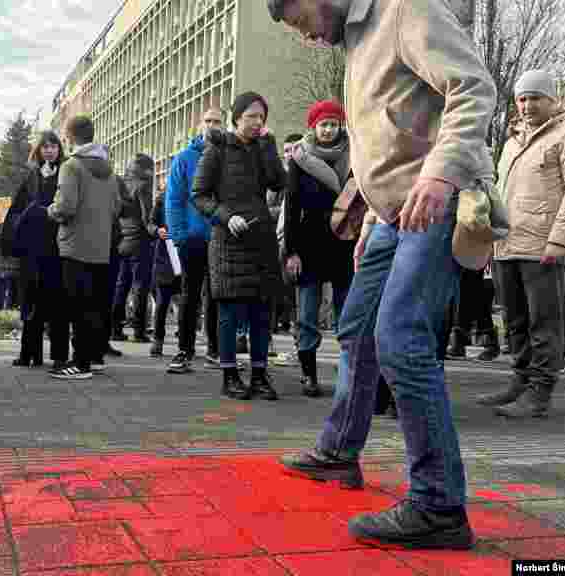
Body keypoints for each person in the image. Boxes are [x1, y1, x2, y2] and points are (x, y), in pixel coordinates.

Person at [271, 0, 497, 548]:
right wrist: (372, 212)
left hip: (438, 202)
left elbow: (473, 88)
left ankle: (438, 505)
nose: (306, 37)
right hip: (391, 214)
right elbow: (390, 138)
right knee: (356, 330)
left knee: (401, 339)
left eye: (300, 21)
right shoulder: (356, 43)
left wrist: (442, 176)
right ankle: (339, 453)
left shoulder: (405, 11)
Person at [481, 70, 565, 418]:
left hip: (543, 246)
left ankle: (540, 392)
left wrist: (560, 240)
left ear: (552, 99)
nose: (527, 105)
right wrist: (489, 238)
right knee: (514, 320)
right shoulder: (514, 139)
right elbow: (499, 192)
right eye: (522, 98)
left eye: (535, 98)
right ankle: (520, 380)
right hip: (507, 244)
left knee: (543, 321)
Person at [193, 92, 286, 401]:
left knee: (262, 311)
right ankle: (230, 375)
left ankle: (259, 375)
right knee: (230, 312)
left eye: (261, 117)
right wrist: (225, 216)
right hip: (228, 241)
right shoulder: (217, 149)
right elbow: (200, 195)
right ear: (236, 118)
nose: (257, 122)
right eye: (251, 116)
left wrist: (270, 146)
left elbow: (278, 182)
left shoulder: (263, 146)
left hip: (261, 239)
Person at [281, 101, 354, 398]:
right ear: (313, 127)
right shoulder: (300, 158)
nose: (328, 129)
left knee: (347, 315)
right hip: (309, 243)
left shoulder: (354, 155)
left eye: (333, 124)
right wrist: (291, 251)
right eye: (323, 124)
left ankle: (350, 373)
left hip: (345, 242)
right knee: (308, 315)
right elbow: (292, 206)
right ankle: (308, 373)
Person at [47, 115, 118, 380]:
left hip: (75, 246)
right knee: (95, 306)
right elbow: (116, 207)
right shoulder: (108, 169)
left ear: (70, 136)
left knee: (77, 306)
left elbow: (66, 206)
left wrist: (50, 210)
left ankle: (79, 364)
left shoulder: (72, 167)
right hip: (101, 247)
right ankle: (94, 358)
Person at [165, 108, 222, 374]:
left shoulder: (228, 156)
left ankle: (215, 350)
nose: (212, 125)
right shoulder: (184, 158)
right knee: (190, 295)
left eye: (217, 121)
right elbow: (174, 199)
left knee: (218, 296)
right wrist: (179, 234)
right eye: (208, 121)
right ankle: (184, 350)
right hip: (193, 238)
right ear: (200, 125)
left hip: (221, 237)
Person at [6, 130, 69, 369]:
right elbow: (16, 209)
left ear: (59, 149)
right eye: (45, 147)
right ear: (39, 150)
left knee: (57, 303)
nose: (49, 150)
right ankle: (29, 353)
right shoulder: (31, 176)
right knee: (31, 301)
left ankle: (59, 356)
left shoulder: (67, 172)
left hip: (57, 246)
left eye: (53, 146)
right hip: (34, 248)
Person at [111, 153, 156, 343]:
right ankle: (139, 331)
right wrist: (156, 230)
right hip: (139, 242)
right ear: (147, 169)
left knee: (121, 285)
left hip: (122, 241)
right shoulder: (143, 186)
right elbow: (147, 217)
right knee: (140, 286)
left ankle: (115, 329)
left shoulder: (122, 183)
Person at [150, 185, 180, 358]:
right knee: (162, 302)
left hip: (184, 253)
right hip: (165, 256)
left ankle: (185, 343)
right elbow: (150, 223)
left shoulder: (192, 197)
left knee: (185, 303)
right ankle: (157, 341)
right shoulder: (161, 200)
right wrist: (157, 230)